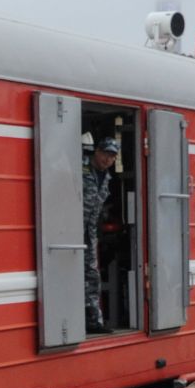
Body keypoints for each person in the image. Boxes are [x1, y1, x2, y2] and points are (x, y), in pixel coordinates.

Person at [83, 137, 121, 330]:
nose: (109, 160)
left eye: (113, 157)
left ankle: (93, 322)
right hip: (68, 229)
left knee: (91, 275)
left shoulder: (106, 177)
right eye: (106, 154)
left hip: (88, 232)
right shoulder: (80, 167)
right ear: (97, 151)